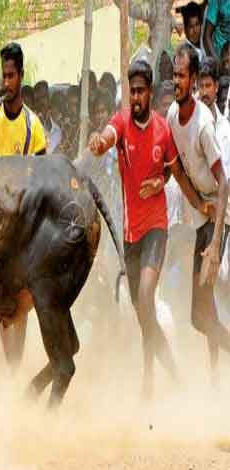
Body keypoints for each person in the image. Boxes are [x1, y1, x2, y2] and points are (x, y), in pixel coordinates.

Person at [88, 59, 181, 398]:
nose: (137, 97)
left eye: (142, 91)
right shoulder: (122, 123)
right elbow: (108, 136)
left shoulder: (162, 130)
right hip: (131, 235)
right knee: (141, 314)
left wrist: (160, 181)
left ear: (150, 92)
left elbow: (172, 169)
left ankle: (158, 375)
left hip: (157, 226)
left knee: (145, 297)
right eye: (133, 91)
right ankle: (160, 371)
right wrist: (99, 143)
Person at [0, 42, 47, 370]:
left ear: (21, 76)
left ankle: (14, 367)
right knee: (3, 301)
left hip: (22, 223)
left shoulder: (34, 126)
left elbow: (43, 178)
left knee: (23, 297)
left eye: (11, 76)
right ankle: (10, 368)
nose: (6, 83)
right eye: (3, 76)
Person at [167, 43, 230, 384]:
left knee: (202, 310)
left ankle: (217, 376)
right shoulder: (173, 118)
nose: (175, 81)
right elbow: (175, 170)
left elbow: (224, 184)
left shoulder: (205, 126)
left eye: (180, 76)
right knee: (198, 316)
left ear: (193, 81)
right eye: (173, 75)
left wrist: (216, 240)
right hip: (203, 214)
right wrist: (195, 204)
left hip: (219, 216)